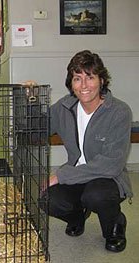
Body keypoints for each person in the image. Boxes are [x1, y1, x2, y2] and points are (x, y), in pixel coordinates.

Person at [45, 50, 133, 253]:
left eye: (90, 77)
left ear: (101, 80)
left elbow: (110, 164)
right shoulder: (64, 107)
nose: (84, 86)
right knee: (46, 197)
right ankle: (77, 217)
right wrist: (29, 99)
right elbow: (36, 129)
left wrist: (60, 175)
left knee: (95, 196)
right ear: (71, 83)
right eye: (77, 78)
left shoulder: (119, 111)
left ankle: (115, 226)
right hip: (77, 172)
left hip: (107, 178)